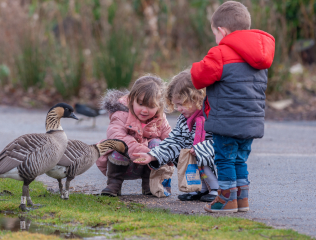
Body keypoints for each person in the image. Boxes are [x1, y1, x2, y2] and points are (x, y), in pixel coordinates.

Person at [190, 1, 275, 213]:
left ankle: (226, 199)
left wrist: (194, 66)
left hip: (227, 121)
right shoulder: (260, 55)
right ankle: (242, 199)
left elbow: (198, 78)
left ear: (222, 30)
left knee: (224, 160)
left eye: (215, 35)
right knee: (239, 160)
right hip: (250, 122)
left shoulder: (220, 53)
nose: (216, 40)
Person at [133, 70, 219, 202]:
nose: (178, 108)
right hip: (196, 161)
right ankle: (200, 188)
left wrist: (201, 149)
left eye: (181, 104)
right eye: (176, 104)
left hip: (214, 163)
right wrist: (152, 155)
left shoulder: (212, 117)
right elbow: (174, 140)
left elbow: (220, 142)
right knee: (183, 156)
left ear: (196, 98)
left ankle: (216, 188)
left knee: (203, 159)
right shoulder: (184, 120)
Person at [96, 75, 172, 197]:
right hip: (123, 164)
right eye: (141, 103)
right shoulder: (121, 114)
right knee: (118, 146)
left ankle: (149, 184)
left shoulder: (160, 119)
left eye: (151, 106)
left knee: (157, 144)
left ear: (159, 106)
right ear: (131, 99)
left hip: (148, 164)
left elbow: (171, 140)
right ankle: (114, 184)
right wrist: (146, 152)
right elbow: (117, 137)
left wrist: (173, 157)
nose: (145, 110)